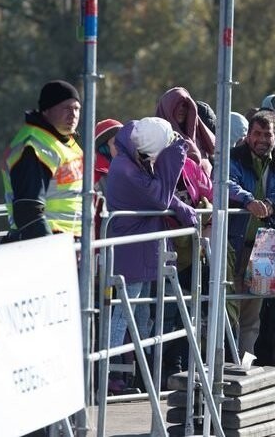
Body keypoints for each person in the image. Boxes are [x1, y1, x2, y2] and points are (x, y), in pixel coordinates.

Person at [106, 117, 197, 391]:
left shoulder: (132, 161)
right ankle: (106, 375)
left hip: (141, 251)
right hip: (131, 251)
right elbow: (160, 197)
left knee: (142, 314)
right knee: (123, 314)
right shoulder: (125, 169)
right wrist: (176, 155)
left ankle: (143, 372)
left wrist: (187, 213)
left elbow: (163, 196)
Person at [227, 110, 275, 357]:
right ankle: (223, 366)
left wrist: (273, 203)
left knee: (252, 314)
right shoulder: (233, 158)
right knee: (227, 310)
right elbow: (224, 184)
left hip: (265, 249)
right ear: (248, 135)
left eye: (267, 134)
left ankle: (244, 364)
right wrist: (247, 201)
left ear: (274, 136)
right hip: (232, 246)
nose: (262, 139)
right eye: (257, 133)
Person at [1, 80, 83, 242]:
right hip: (49, 244)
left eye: (76, 109)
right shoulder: (34, 146)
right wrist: (51, 252)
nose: (73, 114)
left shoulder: (66, 142)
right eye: (66, 108)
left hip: (69, 243)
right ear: (46, 110)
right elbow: (28, 209)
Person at [155, 86, 216, 175]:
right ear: (166, 109)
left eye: (185, 105)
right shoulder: (157, 141)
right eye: (176, 105)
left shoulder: (199, 140)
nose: (181, 109)